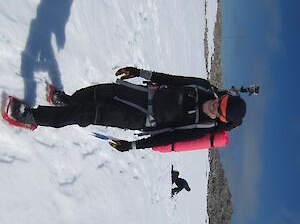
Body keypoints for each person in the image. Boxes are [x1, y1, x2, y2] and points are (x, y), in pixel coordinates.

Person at [10, 66, 247, 151]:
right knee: (97, 93)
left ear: (221, 119)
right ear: (223, 95)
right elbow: (172, 79)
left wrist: (133, 145)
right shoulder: (203, 87)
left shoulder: (200, 127)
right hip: (142, 94)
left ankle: (33, 117)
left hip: (141, 118)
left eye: (220, 111)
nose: (216, 106)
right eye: (222, 101)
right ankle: (67, 101)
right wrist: (139, 72)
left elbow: (167, 138)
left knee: (90, 114)